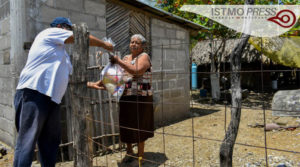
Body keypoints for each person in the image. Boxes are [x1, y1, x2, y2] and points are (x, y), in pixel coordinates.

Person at [13, 17, 113, 167]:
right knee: (27, 142)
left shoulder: (63, 55)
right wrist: (105, 44)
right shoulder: (49, 33)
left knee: (50, 144)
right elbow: (80, 37)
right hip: (34, 93)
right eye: (69, 29)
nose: (72, 32)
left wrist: (92, 84)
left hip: (52, 100)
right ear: (60, 27)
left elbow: (68, 79)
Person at [87, 34, 154, 165]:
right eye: (132, 42)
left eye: (137, 43)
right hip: (126, 96)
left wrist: (118, 61)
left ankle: (141, 157)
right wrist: (99, 83)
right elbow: (117, 76)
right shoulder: (126, 58)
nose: (133, 44)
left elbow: (137, 71)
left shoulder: (144, 57)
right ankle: (129, 151)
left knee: (140, 126)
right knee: (126, 125)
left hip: (141, 98)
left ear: (142, 46)